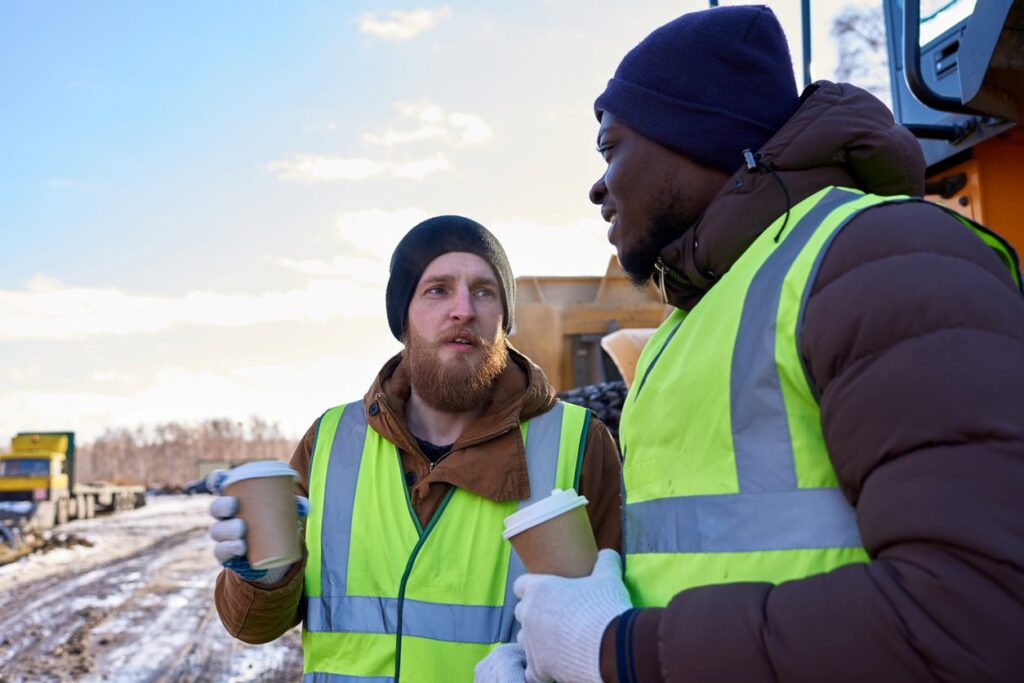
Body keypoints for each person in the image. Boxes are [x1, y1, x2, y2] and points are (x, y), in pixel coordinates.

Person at [487, 5, 1024, 682]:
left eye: (611, 146)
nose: (598, 185)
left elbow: (977, 617)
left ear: (697, 134)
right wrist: (561, 656)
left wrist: (616, 652)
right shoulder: (692, 325)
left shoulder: (880, 258)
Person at [208, 216, 622, 681]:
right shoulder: (330, 440)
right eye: (438, 290)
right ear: (402, 318)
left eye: (485, 291)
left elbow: (612, 636)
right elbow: (254, 626)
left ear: (504, 321)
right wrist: (261, 579)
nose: (463, 309)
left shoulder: (578, 443)